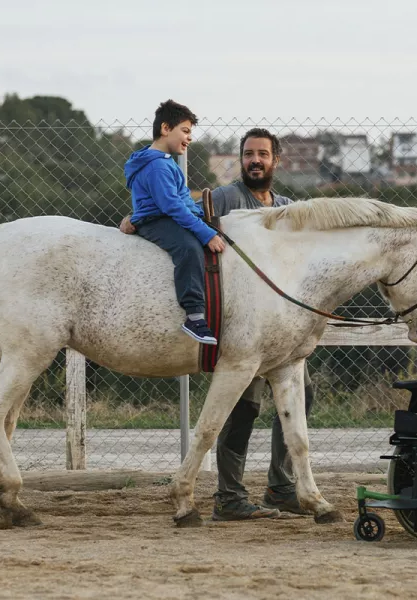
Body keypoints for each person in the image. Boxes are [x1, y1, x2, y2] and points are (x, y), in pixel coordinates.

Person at [120, 128, 315, 521]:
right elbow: (181, 209)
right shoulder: (225, 198)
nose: (254, 161)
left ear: (277, 160)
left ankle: (281, 484)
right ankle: (230, 494)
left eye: (262, 154)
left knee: (301, 395)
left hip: (278, 329)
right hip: (241, 326)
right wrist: (139, 217)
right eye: (248, 154)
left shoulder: (288, 208)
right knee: (243, 408)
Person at [123, 99, 225, 345]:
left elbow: (182, 203)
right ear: (166, 128)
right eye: (186, 131)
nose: (189, 138)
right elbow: (172, 206)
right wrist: (205, 233)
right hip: (157, 221)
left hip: (167, 215)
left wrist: (205, 222)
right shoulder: (157, 166)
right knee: (188, 248)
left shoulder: (164, 162)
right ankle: (194, 315)